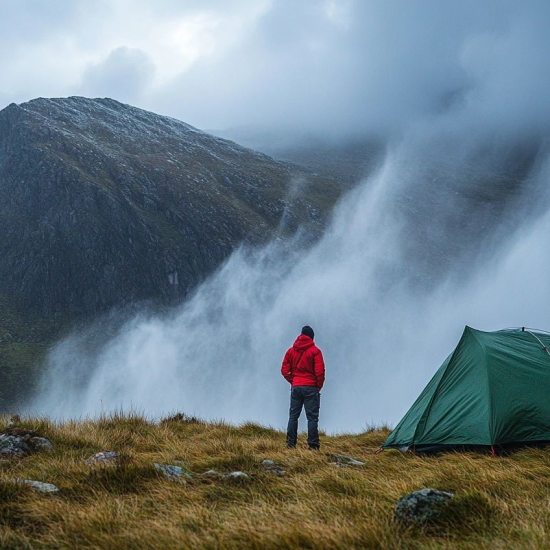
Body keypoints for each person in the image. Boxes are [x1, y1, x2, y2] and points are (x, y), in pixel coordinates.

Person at [281, 325, 325, 450]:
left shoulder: (291, 351)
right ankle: (313, 446)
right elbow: (320, 372)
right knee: (312, 418)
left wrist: (293, 381)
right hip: (311, 387)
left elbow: (284, 370)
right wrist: (318, 386)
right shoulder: (315, 351)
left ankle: (290, 444)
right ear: (312, 337)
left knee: (293, 416)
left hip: (296, 387)